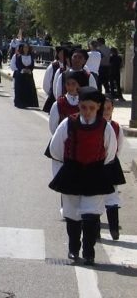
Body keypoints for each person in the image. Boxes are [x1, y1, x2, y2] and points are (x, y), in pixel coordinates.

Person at [48, 87, 116, 265]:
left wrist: (95, 162)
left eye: (92, 108)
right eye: (84, 107)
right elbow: (56, 148)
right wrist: (71, 161)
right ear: (79, 105)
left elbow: (110, 152)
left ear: (98, 106)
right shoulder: (68, 123)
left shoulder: (104, 127)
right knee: (72, 214)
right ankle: (73, 248)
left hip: (94, 173)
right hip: (72, 172)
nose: (87, 112)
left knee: (91, 215)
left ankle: (89, 251)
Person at [102, 95, 126, 240]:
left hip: (111, 165)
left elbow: (120, 146)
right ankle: (95, 230)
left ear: (113, 109)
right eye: (103, 109)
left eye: (109, 109)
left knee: (112, 197)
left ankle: (114, 228)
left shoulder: (116, 127)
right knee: (95, 198)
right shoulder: (95, 125)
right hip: (96, 166)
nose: (106, 111)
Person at [48, 71, 86, 136]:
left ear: (79, 85)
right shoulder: (58, 103)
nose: (70, 87)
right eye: (68, 84)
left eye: (73, 84)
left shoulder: (85, 103)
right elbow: (53, 126)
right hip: (62, 139)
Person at [10, 44, 39, 109]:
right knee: (20, 89)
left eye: (27, 48)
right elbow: (17, 65)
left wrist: (30, 70)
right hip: (20, 76)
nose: (26, 49)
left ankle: (27, 103)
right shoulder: (18, 56)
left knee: (28, 89)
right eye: (24, 47)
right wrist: (22, 70)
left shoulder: (30, 56)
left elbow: (32, 65)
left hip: (28, 75)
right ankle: (20, 103)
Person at [42, 47, 69, 113]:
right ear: (58, 54)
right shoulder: (53, 66)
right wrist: (50, 94)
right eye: (61, 53)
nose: (63, 55)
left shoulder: (70, 67)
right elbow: (46, 82)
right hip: (54, 97)